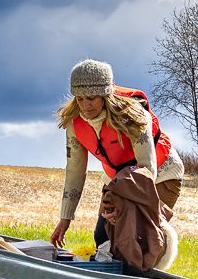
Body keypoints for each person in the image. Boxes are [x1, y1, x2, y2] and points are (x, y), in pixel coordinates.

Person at [49, 59, 185, 268]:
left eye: (92, 98)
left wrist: (123, 205)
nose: (86, 105)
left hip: (160, 175)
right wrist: (65, 218)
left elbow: (147, 168)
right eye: (81, 98)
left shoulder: (134, 115)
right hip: (119, 178)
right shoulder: (74, 123)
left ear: (106, 95)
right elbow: (75, 171)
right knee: (103, 235)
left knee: (137, 238)